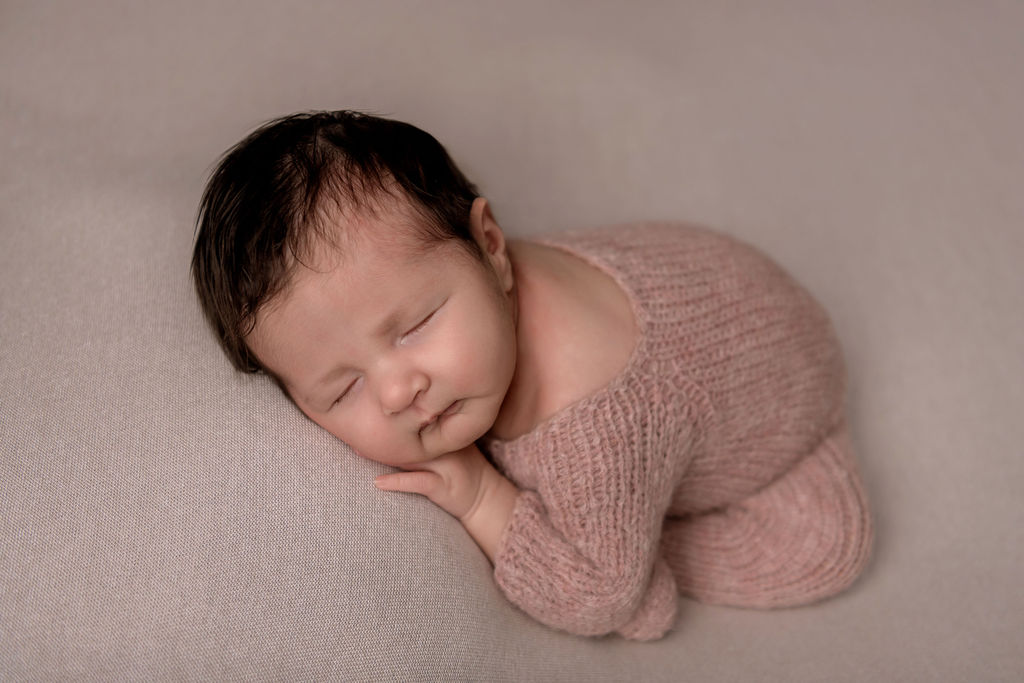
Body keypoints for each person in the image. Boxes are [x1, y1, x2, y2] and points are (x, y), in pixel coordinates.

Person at [191, 110, 873, 641]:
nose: (400, 391)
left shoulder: (590, 419)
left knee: (825, 549)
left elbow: (609, 601)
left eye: (416, 325)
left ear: (492, 246)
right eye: (343, 389)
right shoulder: (476, 306)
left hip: (783, 394)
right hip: (714, 284)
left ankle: (653, 525)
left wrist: (484, 497)